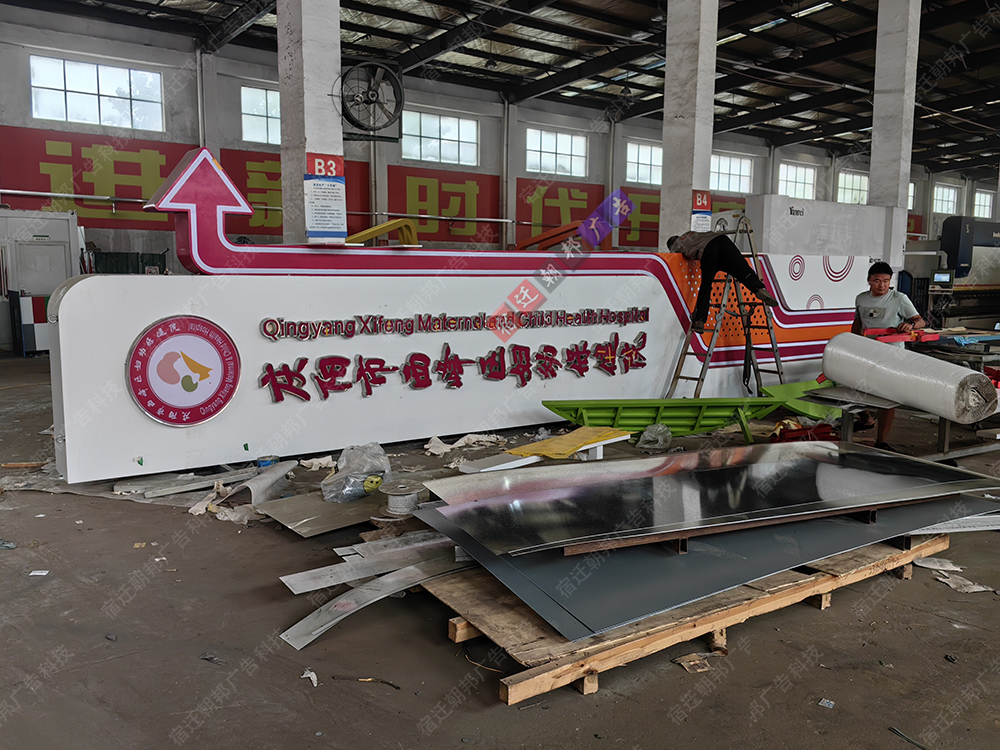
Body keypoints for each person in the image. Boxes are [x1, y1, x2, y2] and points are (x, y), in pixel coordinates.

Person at [850, 261, 925, 452]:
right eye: (877, 281)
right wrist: (852, 343)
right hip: (868, 353)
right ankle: (867, 419)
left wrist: (910, 325)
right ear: (869, 280)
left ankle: (881, 441)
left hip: (893, 355)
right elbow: (858, 322)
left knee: (887, 398)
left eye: (886, 281)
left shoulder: (899, 298)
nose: (882, 285)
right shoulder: (861, 299)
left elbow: (920, 321)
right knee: (852, 386)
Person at [667, 231, 778, 333]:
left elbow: (671, 256)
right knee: (742, 269)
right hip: (722, 240)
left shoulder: (676, 245)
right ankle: (759, 288)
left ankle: (700, 319)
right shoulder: (691, 233)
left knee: (706, 284)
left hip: (709, 250)